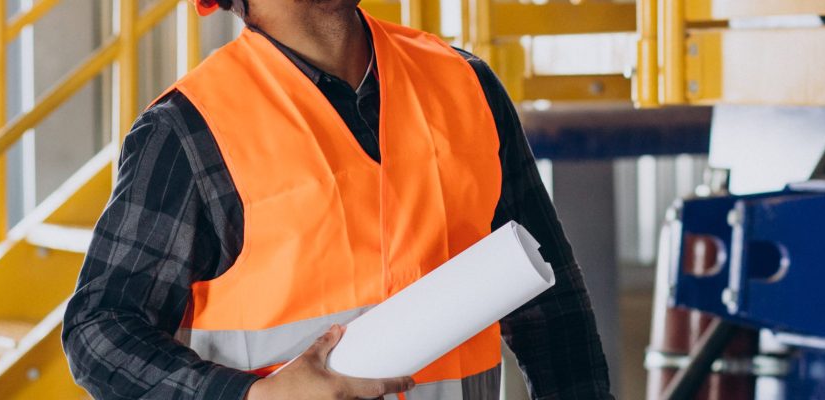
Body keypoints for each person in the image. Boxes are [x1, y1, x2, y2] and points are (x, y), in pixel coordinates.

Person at [61, 0, 612, 398]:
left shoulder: (466, 85)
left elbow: (549, 301)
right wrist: (252, 398)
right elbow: (99, 329)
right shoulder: (189, 130)